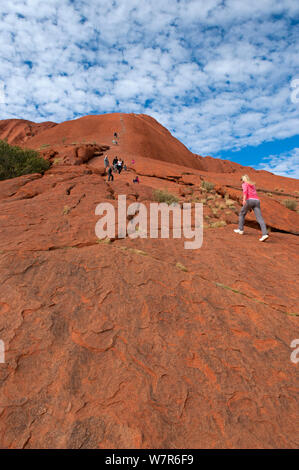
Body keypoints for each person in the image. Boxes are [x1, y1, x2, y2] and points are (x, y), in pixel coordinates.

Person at [234, 175, 268, 242]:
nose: (241, 181)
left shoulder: (244, 184)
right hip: (257, 201)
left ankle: (240, 230)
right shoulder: (252, 185)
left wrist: (244, 200)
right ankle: (265, 234)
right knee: (260, 218)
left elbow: (245, 192)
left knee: (241, 214)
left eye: (242, 179)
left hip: (249, 200)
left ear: (243, 179)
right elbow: (254, 193)